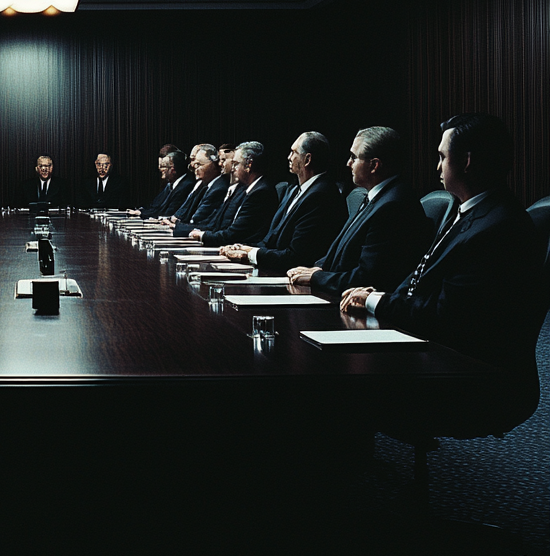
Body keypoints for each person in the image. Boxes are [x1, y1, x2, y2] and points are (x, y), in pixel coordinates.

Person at [341, 114, 543, 434]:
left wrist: (377, 301)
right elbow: (420, 278)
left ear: (466, 161)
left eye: (442, 157)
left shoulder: (497, 227)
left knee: (338, 380)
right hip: (440, 349)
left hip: (470, 376)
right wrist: (380, 298)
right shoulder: (473, 211)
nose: (437, 167)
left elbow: (443, 317)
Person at [287, 127, 429, 292]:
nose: (348, 163)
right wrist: (318, 269)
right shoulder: (378, 196)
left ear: (374, 165)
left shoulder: (393, 206)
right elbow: (341, 252)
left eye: (354, 157)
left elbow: (367, 278)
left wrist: (317, 277)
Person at [219, 132, 345, 272]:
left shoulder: (321, 195)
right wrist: (245, 248)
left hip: (296, 277)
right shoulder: (294, 190)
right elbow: (271, 239)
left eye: (293, 152)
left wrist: (250, 254)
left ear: (307, 159)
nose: (289, 157)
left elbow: (296, 256)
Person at [191, 141, 277, 246]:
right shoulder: (249, 188)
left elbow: (235, 234)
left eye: (236, 164)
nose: (233, 169)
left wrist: (202, 235)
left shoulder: (260, 192)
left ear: (248, 165)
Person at [170, 145, 226, 235]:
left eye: (199, 164)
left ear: (214, 165)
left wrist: (179, 226)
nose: (195, 168)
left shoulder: (219, 188)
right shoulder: (206, 186)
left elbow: (199, 220)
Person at [129, 150, 193, 218]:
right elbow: (155, 206)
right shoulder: (171, 185)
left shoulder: (186, 186)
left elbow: (167, 213)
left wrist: (142, 213)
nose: (160, 169)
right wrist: (141, 211)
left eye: (163, 166)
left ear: (172, 170)